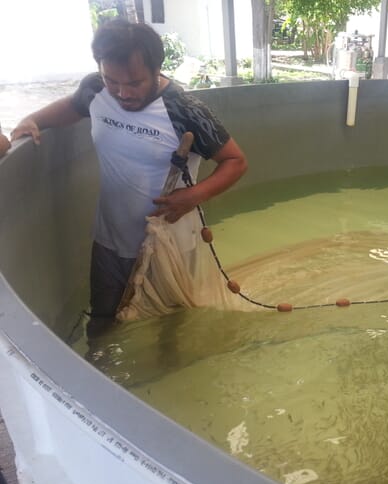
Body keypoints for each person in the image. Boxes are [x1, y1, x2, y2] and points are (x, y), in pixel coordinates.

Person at [10, 18, 248, 337]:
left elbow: (235, 161)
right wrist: (32, 120)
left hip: (171, 244)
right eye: (113, 81)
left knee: (171, 327)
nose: (123, 92)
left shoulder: (186, 110)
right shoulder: (95, 88)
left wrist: (192, 197)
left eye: (134, 83)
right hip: (111, 240)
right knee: (103, 321)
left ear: (156, 70)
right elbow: (71, 107)